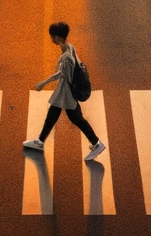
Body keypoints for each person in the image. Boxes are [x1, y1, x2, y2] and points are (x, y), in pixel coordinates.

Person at [23, 21, 105, 162]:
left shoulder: (66, 57)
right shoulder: (70, 47)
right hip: (64, 92)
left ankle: (96, 143)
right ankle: (40, 141)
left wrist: (43, 83)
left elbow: (63, 75)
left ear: (57, 38)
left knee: (77, 119)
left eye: (52, 36)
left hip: (67, 94)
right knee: (52, 114)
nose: (51, 39)